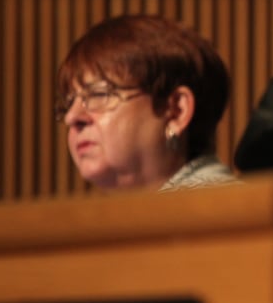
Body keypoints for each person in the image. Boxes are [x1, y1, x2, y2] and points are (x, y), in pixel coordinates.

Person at [55, 14, 239, 191]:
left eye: (99, 94)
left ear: (177, 111)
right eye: (69, 103)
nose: (72, 117)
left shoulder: (223, 214)